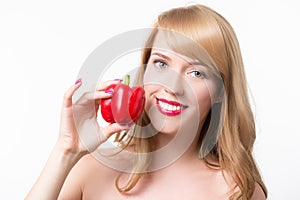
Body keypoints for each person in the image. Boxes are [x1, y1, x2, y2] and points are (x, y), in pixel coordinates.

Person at [26, 4, 267, 200]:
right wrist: (65, 151)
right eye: (161, 64)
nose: (172, 87)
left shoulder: (238, 191)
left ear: (219, 91)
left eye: (196, 73)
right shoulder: (91, 170)